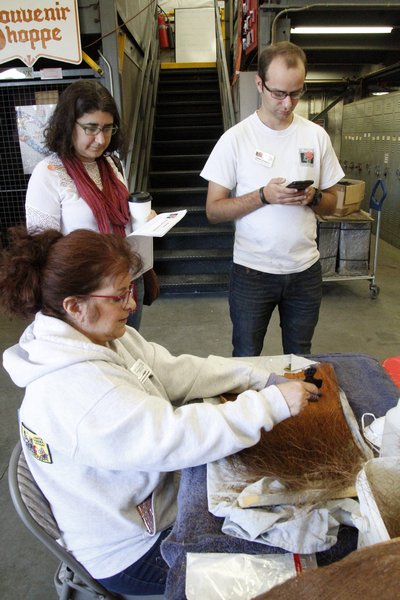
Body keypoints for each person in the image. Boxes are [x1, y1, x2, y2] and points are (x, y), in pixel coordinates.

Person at [1, 226, 318, 597]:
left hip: (150, 501)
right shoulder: (77, 391)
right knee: (284, 564)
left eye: (130, 290)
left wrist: (257, 377)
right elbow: (174, 437)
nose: (132, 305)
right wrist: (271, 405)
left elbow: (174, 370)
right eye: (119, 295)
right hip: (131, 550)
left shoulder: (100, 337)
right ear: (75, 306)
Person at [201, 41, 345, 357]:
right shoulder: (235, 139)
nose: (287, 103)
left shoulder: (316, 136)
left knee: (300, 356)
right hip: (252, 272)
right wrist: (263, 196)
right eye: (278, 93)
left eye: (296, 93)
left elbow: (334, 203)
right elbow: (213, 210)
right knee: (246, 356)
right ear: (259, 84)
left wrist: (313, 196)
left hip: (305, 271)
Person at [25, 79, 149, 330]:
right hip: (84, 295)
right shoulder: (49, 173)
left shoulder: (111, 165)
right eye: (91, 128)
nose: (100, 139)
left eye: (107, 128)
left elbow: (121, 219)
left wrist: (145, 221)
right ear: (68, 125)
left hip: (126, 283)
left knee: (126, 348)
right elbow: (42, 249)